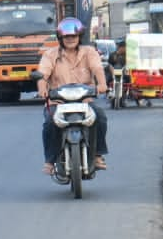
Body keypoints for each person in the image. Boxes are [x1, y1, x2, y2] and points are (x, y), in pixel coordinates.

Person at [34, 17, 109, 174]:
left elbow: (97, 68)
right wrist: (42, 88)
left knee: (100, 117)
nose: (70, 40)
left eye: (73, 36)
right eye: (66, 37)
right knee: (49, 123)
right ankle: (49, 161)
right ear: (60, 38)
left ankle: (97, 155)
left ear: (79, 37)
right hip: (58, 102)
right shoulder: (50, 54)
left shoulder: (89, 52)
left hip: (85, 100)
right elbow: (42, 74)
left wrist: (102, 84)